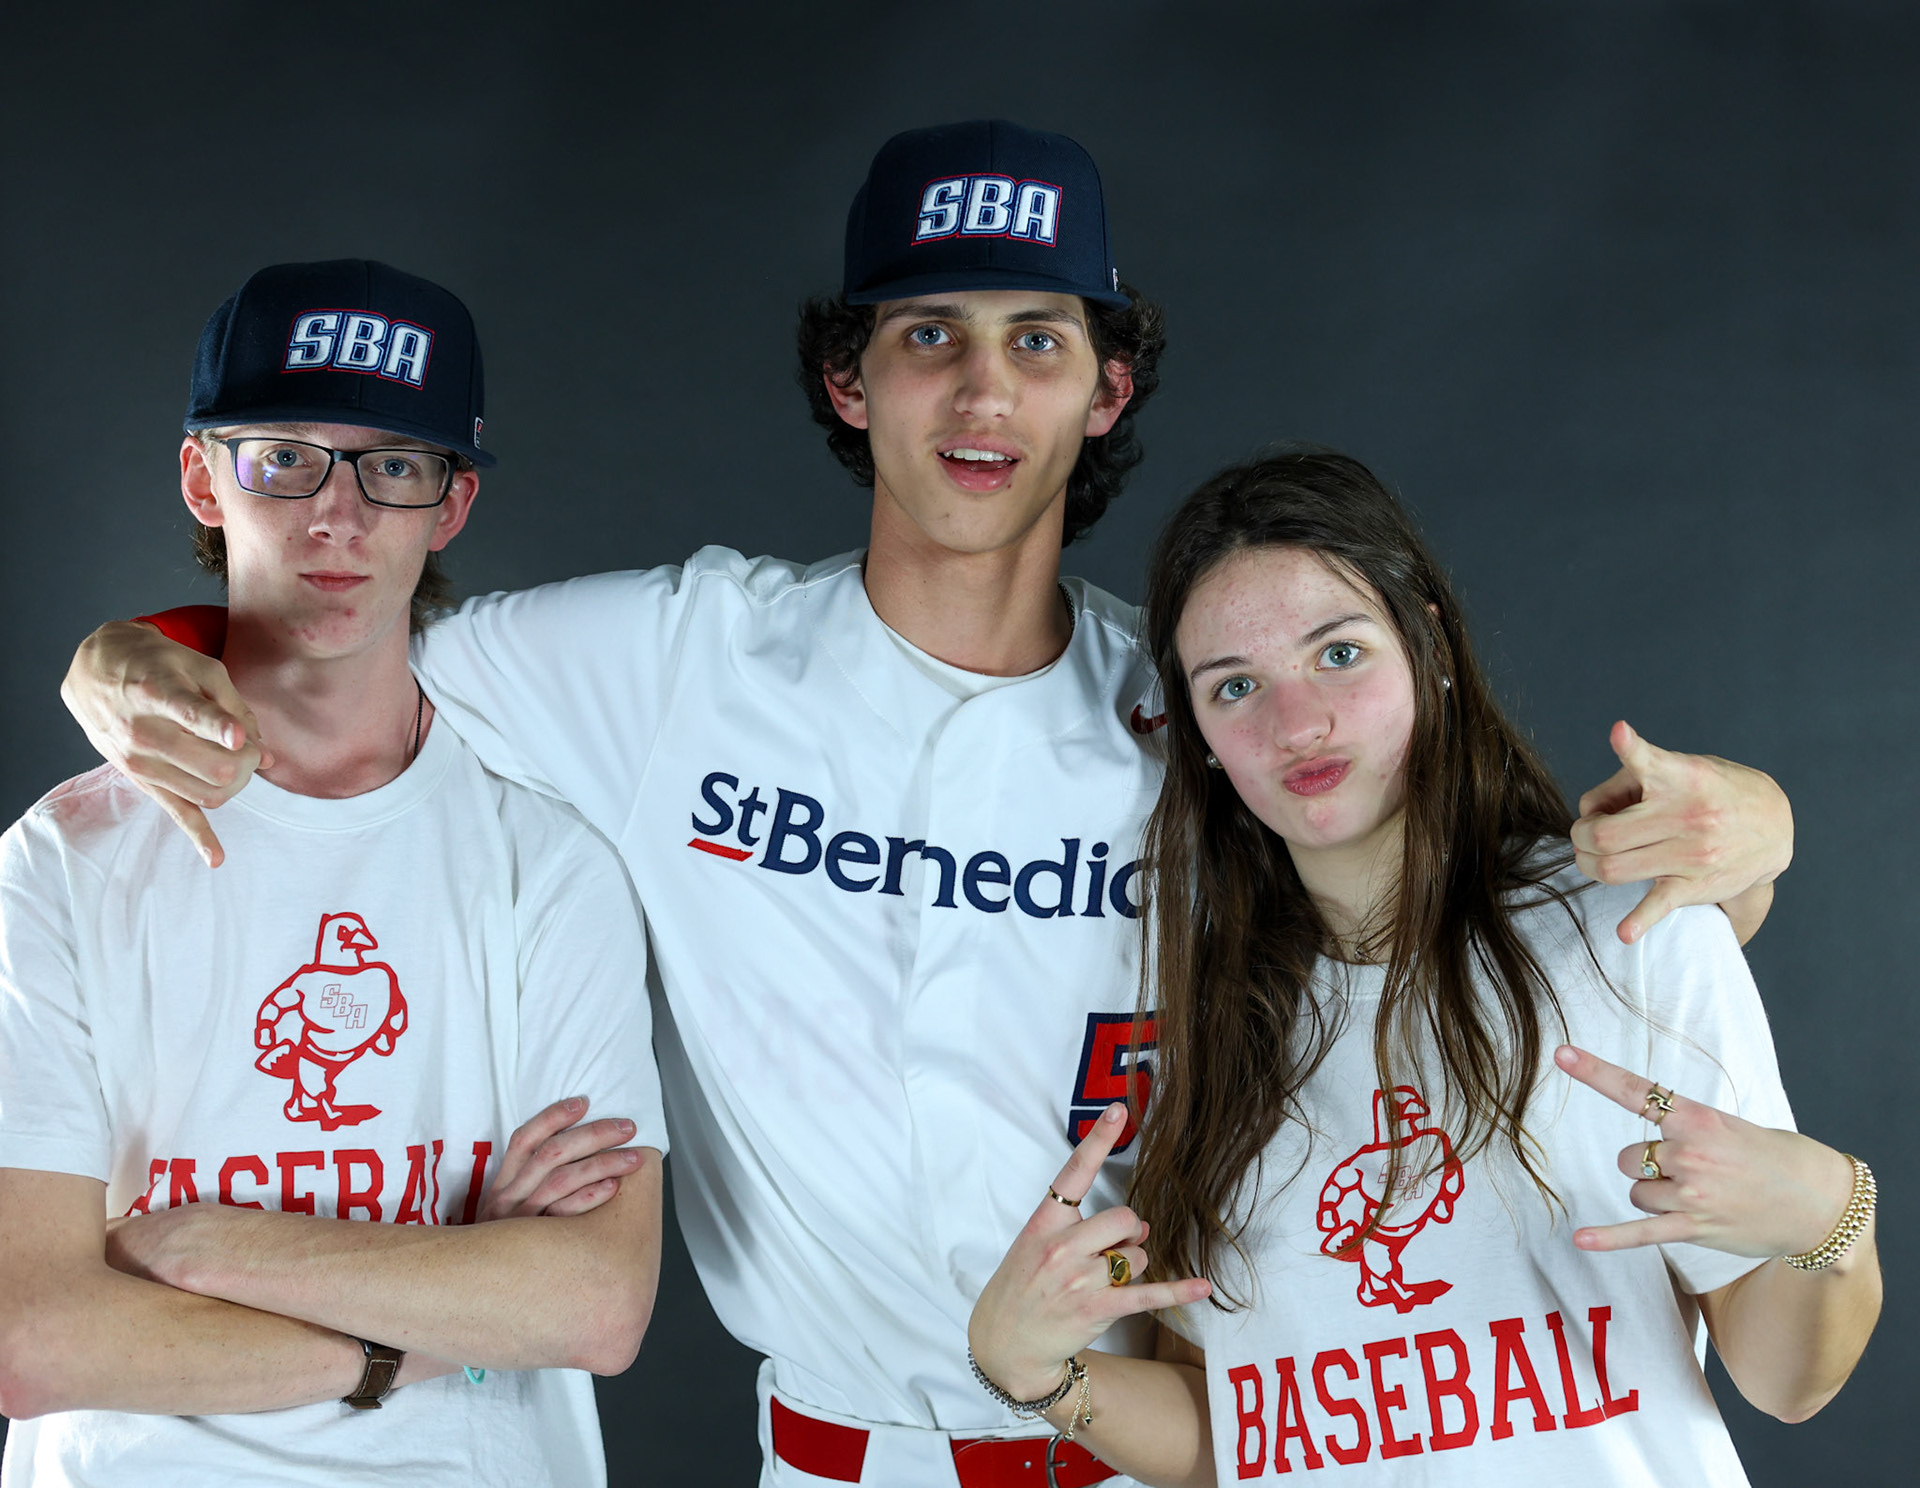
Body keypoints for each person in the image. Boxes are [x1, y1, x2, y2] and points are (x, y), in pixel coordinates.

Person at [58, 126, 1793, 1486]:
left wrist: (1756, 834)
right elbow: (342, 644)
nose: (980, 391)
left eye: (1038, 339)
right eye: (927, 335)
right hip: (843, 1454)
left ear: (1104, 389)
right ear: (849, 378)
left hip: (1175, 1440)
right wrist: (134, 652)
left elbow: (1494, 905)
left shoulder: (1201, 705)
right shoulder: (670, 660)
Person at [965, 449, 1878, 1486]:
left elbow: (1788, 1381)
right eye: (1235, 686)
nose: (1295, 722)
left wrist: (1832, 1215)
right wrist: (1034, 1374)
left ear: (1427, 643)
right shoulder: (1193, 1008)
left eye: (1339, 655)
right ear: (1201, 738)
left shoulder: (1632, 932)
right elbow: (1250, 1432)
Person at [0, 260, 668, 1487]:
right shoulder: (62, 859)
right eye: (285, 457)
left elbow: (593, 1302)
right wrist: (421, 1325)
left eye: (393, 467)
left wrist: (195, 1243)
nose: (336, 516)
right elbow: (33, 1335)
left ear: (450, 504)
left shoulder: (551, 863)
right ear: (204, 476)